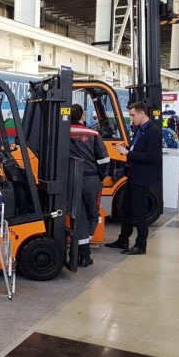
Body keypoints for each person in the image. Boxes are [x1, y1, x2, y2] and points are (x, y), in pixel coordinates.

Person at [105, 102, 162, 255]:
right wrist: (127, 149)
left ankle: (140, 244)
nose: (131, 118)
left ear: (142, 113)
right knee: (126, 209)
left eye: (133, 115)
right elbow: (137, 149)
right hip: (132, 175)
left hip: (142, 178)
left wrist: (128, 153)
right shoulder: (139, 130)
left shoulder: (153, 131)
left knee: (139, 211)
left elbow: (151, 157)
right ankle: (123, 239)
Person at [69, 104, 109, 267]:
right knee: (93, 214)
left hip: (71, 180)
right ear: (82, 117)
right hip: (91, 179)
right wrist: (100, 177)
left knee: (78, 215)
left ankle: (78, 252)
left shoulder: (60, 133)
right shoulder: (93, 134)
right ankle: (84, 253)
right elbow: (104, 160)